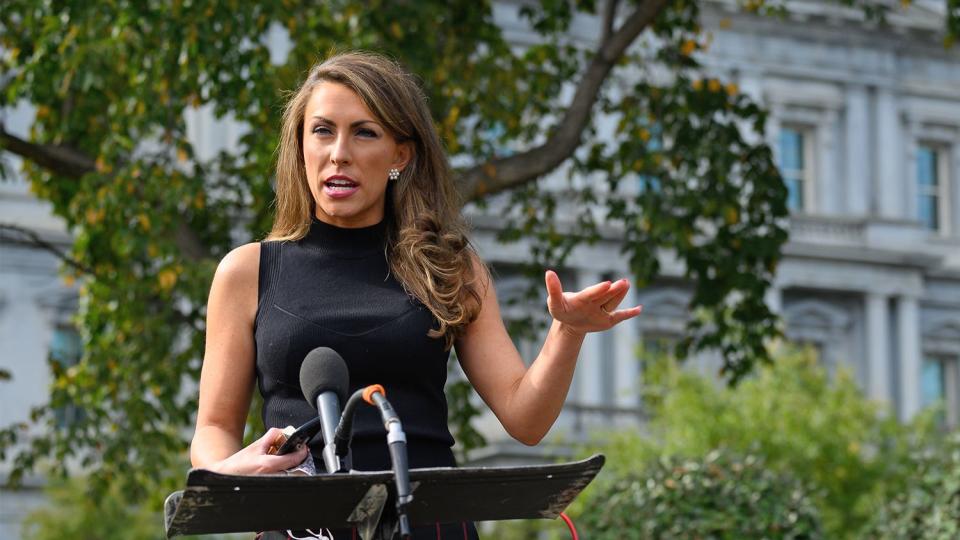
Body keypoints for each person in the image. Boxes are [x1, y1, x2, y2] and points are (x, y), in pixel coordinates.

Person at [190, 51, 642, 539]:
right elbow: (213, 429)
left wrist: (567, 331)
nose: (339, 152)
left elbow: (525, 420)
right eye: (322, 131)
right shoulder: (246, 271)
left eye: (364, 132)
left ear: (400, 155)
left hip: (429, 524)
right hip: (300, 527)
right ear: (300, 146)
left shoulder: (449, 266)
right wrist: (231, 470)